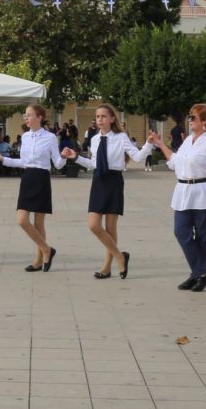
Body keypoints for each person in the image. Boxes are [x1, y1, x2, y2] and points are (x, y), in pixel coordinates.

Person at [147, 104, 206, 292]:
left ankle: (197, 274)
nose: (189, 120)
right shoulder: (188, 140)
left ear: (205, 120)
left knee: (203, 239)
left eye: (193, 117)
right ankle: (201, 273)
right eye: (189, 116)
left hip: (205, 193)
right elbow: (174, 162)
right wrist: (161, 144)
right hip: (184, 193)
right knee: (181, 231)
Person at [67, 104, 148, 280]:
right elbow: (93, 164)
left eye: (104, 116)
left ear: (112, 119)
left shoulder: (121, 137)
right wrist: (76, 157)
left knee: (111, 228)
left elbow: (137, 157)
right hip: (98, 181)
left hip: (113, 181)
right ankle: (120, 256)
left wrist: (149, 143)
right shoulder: (95, 139)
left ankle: (106, 267)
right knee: (93, 225)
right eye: (98, 117)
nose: (100, 119)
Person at [0, 103, 59, 271]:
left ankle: (39, 259)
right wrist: (1, 159)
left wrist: (65, 157)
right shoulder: (25, 137)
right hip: (27, 177)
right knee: (22, 220)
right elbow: (22, 162)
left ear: (39, 117)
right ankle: (47, 249)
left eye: (29, 115)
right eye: (25, 115)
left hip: (42, 177)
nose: (26, 118)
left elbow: (57, 163)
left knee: (39, 222)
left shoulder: (50, 137)